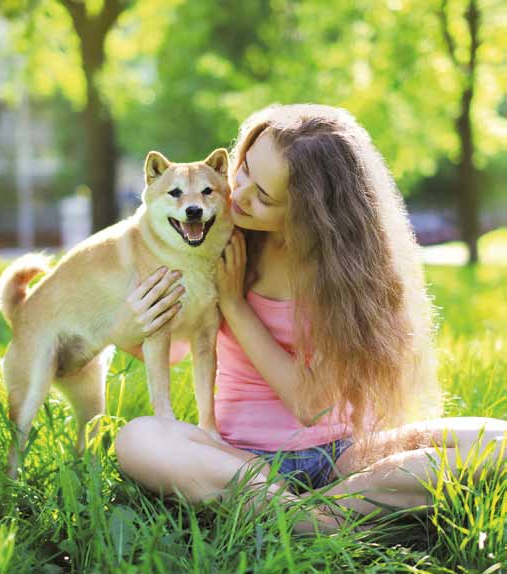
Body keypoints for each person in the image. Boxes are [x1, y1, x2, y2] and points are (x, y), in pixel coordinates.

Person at [113, 104, 507, 532]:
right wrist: (130, 322)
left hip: (346, 454)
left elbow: (309, 405)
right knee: (138, 439)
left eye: (263, 196)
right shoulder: (219, 239)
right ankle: (327, 515)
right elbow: (172, 351)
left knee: (497, 442)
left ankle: (300, 516)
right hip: (242, 460)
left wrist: (235, 305)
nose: (239, 195)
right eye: (243, 171)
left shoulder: (347, 270)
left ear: (309, 212)